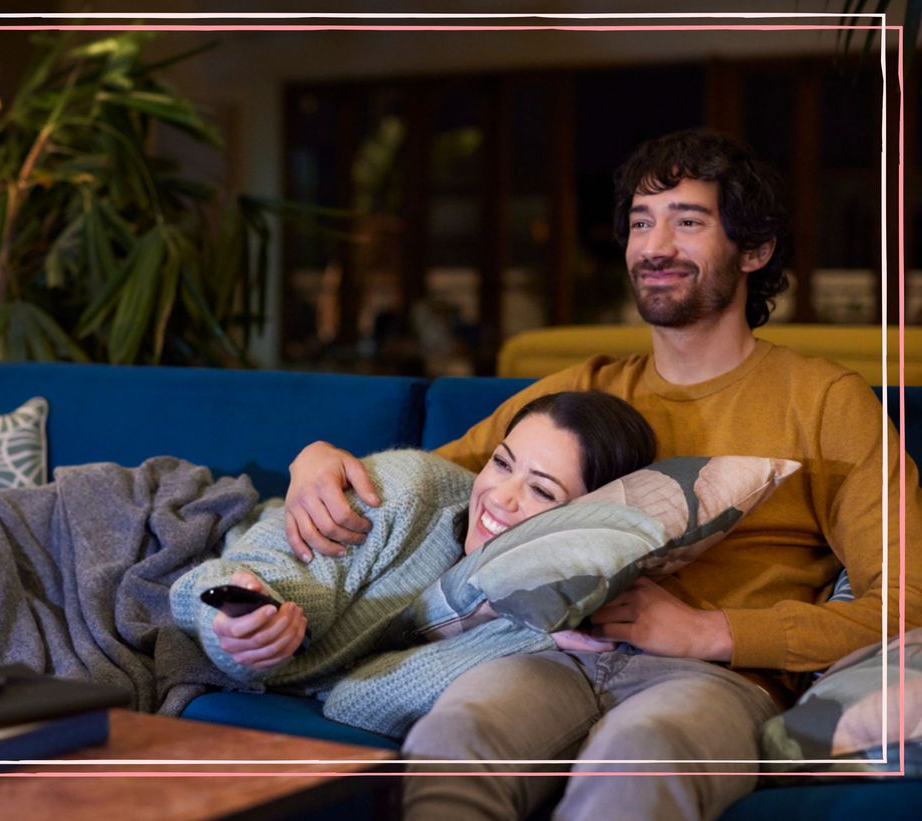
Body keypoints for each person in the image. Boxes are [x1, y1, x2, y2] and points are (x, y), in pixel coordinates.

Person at [282, 128, 922, 819]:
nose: (654, 246)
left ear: (755, 251)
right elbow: (427, 483)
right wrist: (317, 459)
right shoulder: (586, 389)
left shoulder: (824, 401)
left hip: (716, 679)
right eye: (641, 222)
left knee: (642, 754)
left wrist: (713, 632)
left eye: (688, 221)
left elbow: (906, 601)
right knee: (453, 734)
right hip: (548, 657)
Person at [168, 391, 656, 735]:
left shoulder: (546, 619)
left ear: (587, 525)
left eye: (543, 490)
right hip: (177, 533)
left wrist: (526, 626)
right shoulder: (405, 492)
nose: (501, 499)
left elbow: (359, 701)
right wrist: (236, 629)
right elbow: (224, 580)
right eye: (503, 464)